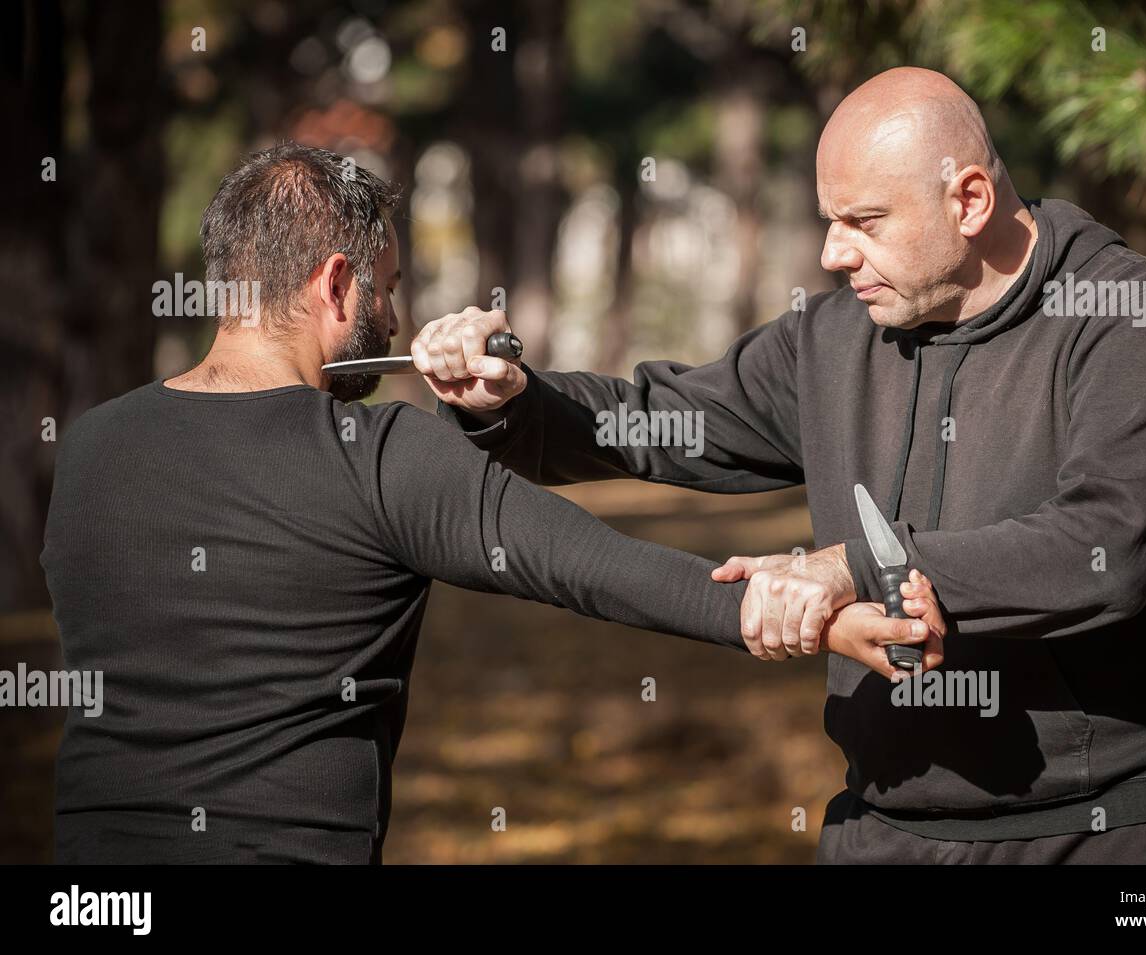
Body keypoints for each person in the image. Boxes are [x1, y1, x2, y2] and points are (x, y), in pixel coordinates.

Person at [419, 68, 1146, 864]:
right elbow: (658, 421)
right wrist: (510, 399)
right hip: (885, 824)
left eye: (864, 221)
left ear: (969, 199)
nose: (832, 253)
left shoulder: (1129, 318)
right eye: (830, 220)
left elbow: (1107, 547)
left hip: (1113, 828)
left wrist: (853, 567)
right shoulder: (832, 339)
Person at [42, 142, 944, 864]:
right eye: (388, 290)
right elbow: (596, 569)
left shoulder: (90, 446)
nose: (391, 322)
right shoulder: (378, 458)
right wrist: (812, 618)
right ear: (335, 283)